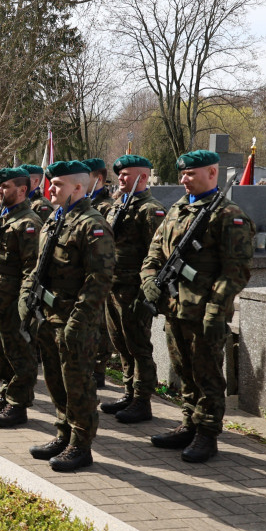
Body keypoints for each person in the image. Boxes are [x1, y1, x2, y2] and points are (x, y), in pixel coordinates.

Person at [141, 149, 255, 463]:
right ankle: (189, 422)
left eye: (190, 174)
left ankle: (207, 433)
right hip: (175, 307)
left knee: (207, 374)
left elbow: (236, 271)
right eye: (182, 174)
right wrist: (149, 279)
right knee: (184, 371)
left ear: (212, 173)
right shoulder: (178, 209)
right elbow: (154, 254)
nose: (184, 179)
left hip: (205, 313)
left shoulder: (227, 214)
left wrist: (216, 310)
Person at [20, 160, 115, 472]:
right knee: (55, 380)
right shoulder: (55, 220)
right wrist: (27, 297)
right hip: (48, 316)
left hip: (75, 320)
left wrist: (78, 320)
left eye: (58, 184)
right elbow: (40, 266)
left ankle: (81, 445)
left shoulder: (92, 224)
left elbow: (98, 280)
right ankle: (63, 433)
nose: (51, 188)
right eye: (51, 183)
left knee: (78, 384)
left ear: (78, 187)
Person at [0, 167, 41, 428]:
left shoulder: (29, 223)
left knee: (20, 355)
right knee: (1, 353)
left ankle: (18, 405)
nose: (0, 191)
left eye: (6, 187)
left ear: (22, 190)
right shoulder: (1, 218)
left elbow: (31, 269)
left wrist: (24, 303)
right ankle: (6, 394)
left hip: (12, 302)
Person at [100, 155, 166, 424]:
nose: (121, 179)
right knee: (121, 344)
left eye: (127, 174)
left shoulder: (151, 209)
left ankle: (142, 400)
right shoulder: (117, 206)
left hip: (134, 289)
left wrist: (147, 288)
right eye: (120, 174)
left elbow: (158, 253)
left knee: (138, 345)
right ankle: (129, 392)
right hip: (113, 286)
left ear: (143, 176)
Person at [83, 157, 114, 388]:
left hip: (105, 276)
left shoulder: (106, 207)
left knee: (100, 326)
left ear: (99, 179)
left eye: (87, 178)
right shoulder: (84, 204)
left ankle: (98, 370)